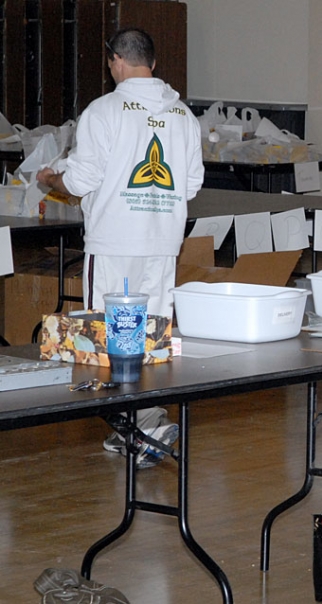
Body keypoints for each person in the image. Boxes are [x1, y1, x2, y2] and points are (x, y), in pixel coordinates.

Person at [37, 28, 204, 469]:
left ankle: (141, 428)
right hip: (163, 240)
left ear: (115, 61)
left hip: (113, 240)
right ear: (152, 61)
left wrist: (53, 178)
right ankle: (143, 423)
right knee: (151, 334)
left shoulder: (104, 110)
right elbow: (190, 184)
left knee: (107, 337)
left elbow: (80, 180)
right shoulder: (184, 116)